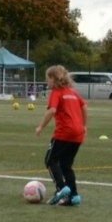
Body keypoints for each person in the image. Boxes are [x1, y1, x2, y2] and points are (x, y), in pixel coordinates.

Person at [36, 65, 87, 206]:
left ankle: (61, 188)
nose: (47, 83)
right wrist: (84, 126)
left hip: (64, 132)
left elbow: (52, 110)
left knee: (50, 160)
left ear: (54, 79)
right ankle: (74, 196)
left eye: (48, 80)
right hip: (78, 133)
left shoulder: (56, 93)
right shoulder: (73, 93)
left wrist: (41, 126)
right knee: (66, 165)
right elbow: (84, 107)